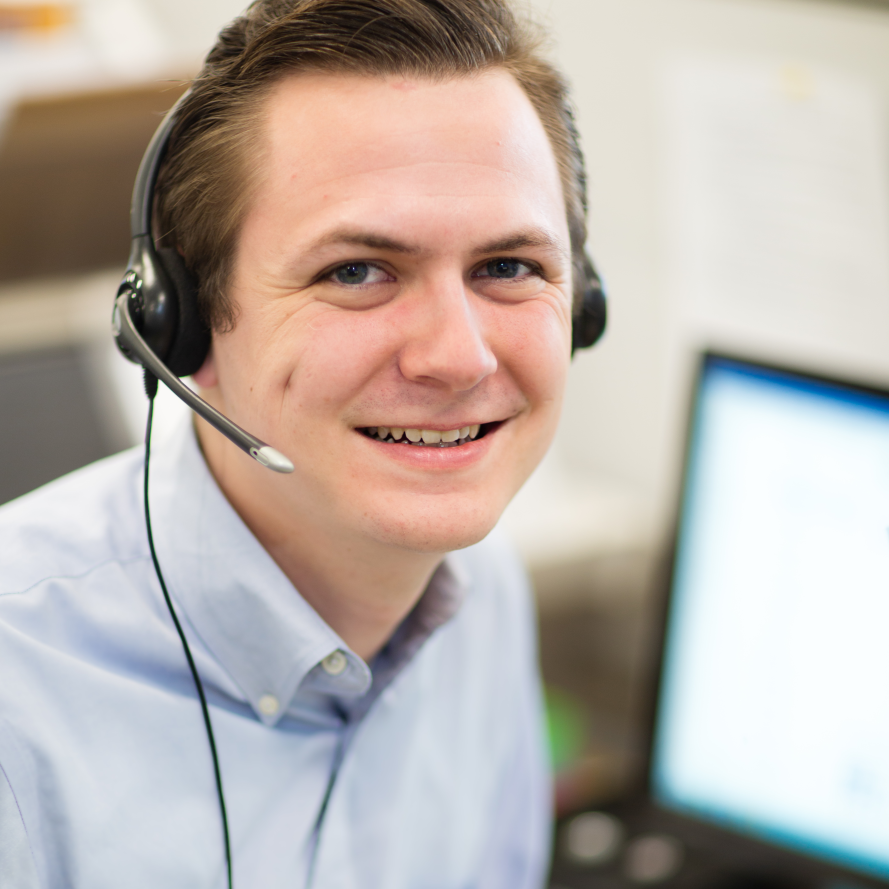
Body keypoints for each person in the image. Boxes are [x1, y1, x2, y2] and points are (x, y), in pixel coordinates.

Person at [0, 1, 604, 886]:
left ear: (580, 304)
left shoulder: (484, 593)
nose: (458, 356)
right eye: (354, 271)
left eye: (507, 267)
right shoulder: (19, 696)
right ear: (184, 331)